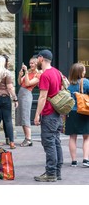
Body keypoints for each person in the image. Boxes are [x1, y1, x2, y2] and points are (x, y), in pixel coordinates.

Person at [34, 49, 63, 182]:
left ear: (41, 59)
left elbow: (42, 97)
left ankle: (51, 173)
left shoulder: (45, 75)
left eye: (37, 59)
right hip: (57, 113)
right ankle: (57, 172)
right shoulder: (57, 72)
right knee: (56, 141)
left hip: (49, 113)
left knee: (49, 143)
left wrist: (36, 115)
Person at [66, 63, 89, 167]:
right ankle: (85, 159)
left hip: (71, 112)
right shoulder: (86, 82)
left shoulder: (69, 85)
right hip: (84, 111)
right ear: (80, 72)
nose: (85, 72)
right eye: (83, 70)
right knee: (86, 137)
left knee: (72, 137)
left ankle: (74, 161)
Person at [17, 56, 41, 147]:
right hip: (21, 94)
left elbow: (27, 84)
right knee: (22, 117)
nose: (30, 65)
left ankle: (28, 139)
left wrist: (26, 72)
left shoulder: (38, 75)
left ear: (36, 64)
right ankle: (26, 137)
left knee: (26, 116)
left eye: (32, 63)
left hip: (27, 95)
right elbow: (20, 83)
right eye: (30, 63)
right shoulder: (29, 72)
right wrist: (20, 75)